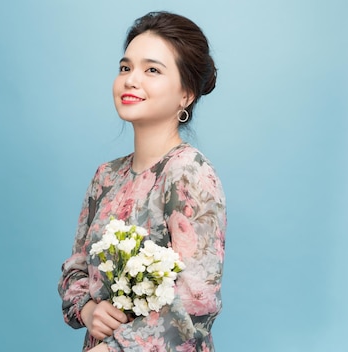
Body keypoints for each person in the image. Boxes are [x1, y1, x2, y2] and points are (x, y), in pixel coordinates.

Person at [58, 11, 226, 352]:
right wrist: (89, 311)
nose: (131, 80)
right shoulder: (105, 177)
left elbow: (197, 301)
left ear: (187, 94)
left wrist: (114, 348)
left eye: (152, 70)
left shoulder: (189, 174)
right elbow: (74, 270)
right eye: (125, 67)